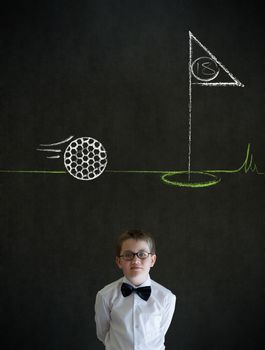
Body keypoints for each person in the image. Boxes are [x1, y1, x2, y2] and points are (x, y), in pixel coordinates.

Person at [95, 229, 176, 350]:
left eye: (142, 254)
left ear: (152, 260)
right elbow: (103, 333)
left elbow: (161, 331)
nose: (136, 260)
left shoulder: (166, 297)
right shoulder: (105, 295)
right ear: (119, 261)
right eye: (128, 255)